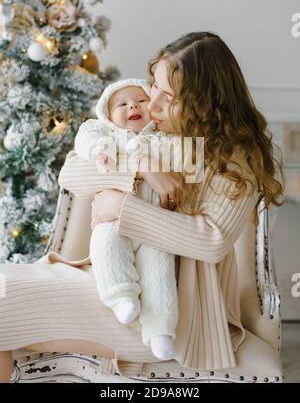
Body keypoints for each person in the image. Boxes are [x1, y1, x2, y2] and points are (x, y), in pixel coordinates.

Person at [0, 31, 284, 382]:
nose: (152, 105)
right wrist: (140, 167)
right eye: (154, 87)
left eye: (170, 96)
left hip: (167, 310)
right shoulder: (162, 136)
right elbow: (72, 172)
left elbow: (211, 241)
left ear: (205, 102)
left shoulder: (231, 158)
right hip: (118, 279)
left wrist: (122, 207)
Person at [74, 78, 181, 360]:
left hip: (155, 226)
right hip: (112, 220)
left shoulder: (162, 136)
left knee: (160, 272)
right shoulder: (107, 135)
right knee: (105, 245)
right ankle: (121, 297)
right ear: (108, 115)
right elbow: (87, 136)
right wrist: (100, 154)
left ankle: (160, 329)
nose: (132, 105)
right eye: (121, 104)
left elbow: (184, 164)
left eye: (140, 100)